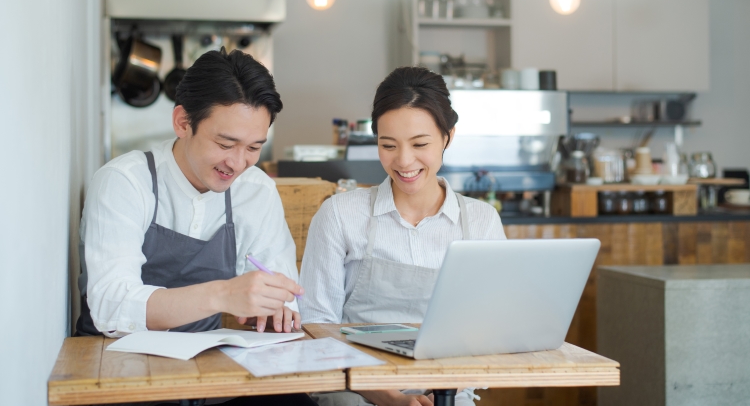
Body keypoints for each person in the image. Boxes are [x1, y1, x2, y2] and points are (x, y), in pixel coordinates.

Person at [76, 48, 313, 406]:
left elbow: (281, 294)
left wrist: (273, 307)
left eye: (253, 147)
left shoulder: (255, 190)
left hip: (207, 374)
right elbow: (111, 307)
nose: (237, 163)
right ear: (183, 122)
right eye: (225, 143)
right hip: (119, 375)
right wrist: (223, 294)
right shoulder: (124, 182)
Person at [299, 67, 507, 406]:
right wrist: (388, 397)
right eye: (388, 145)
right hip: (353, 389)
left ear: (448, 137)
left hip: (447, 388)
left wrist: (443, 392)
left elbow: (491, 328)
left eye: (420, 144)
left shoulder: (481, 222)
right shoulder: (339, 214)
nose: (404, 161)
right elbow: (317, 327)